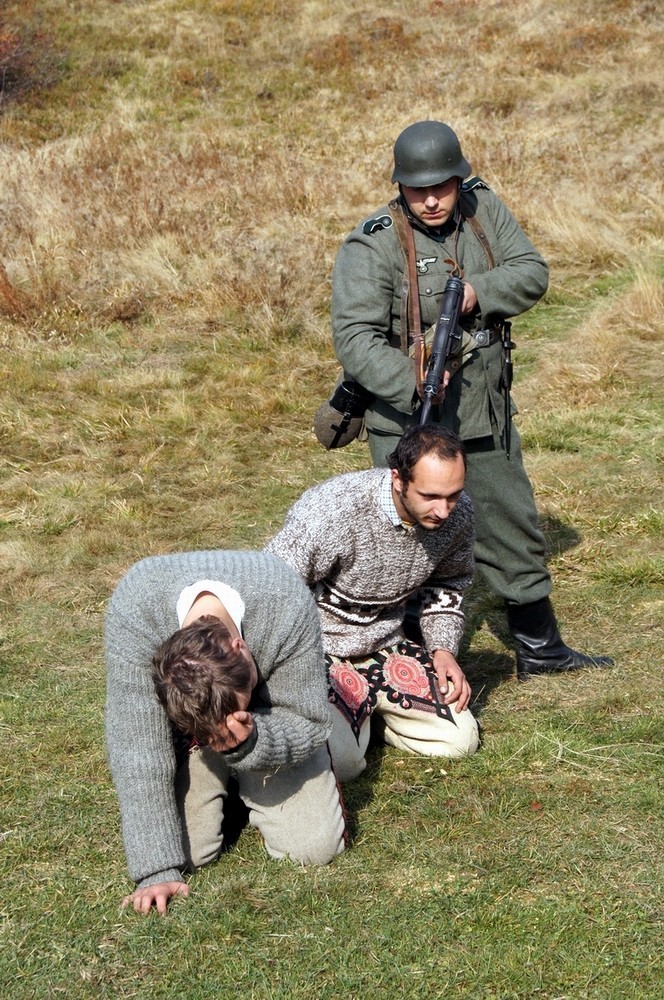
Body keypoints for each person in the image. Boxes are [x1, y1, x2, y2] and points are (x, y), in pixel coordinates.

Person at [324, 119, 613, 680]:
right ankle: (402, 658)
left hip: (482, 408)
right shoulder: (372, 243)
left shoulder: (484, 210)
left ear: (460, 178)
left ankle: (539, 646)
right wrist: (415, 381)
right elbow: (355, 338)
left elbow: (531, 272)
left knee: (511, 519)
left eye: (442, 186)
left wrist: (481, 293)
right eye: (417, 189)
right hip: (409, 417)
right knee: (404, 537)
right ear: (400, 186)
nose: (431, 200)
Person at [105, 549, 346, 915]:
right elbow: (136, 746)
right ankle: (227, 782)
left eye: (237, 703)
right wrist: (155, 869)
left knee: (312, 848)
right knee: (188, 855)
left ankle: (245, 778)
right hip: (189, 736)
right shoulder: (137, 608)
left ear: (242, 648)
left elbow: (307, 720)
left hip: (270, 720)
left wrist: (251, 742)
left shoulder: (283, 598)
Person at [265, 424, 480, 782]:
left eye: (453, 495)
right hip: (319, 652)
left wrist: (443, 650)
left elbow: (448, 582)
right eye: (430, 496)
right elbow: (271, 587)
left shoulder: (458, 515)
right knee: (344, 766)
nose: (443, 511)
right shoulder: (332, 512)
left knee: (459, 740)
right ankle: (351, 719)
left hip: (387, 647)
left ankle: (371, 716)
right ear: (398, 479)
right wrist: (284, 671)